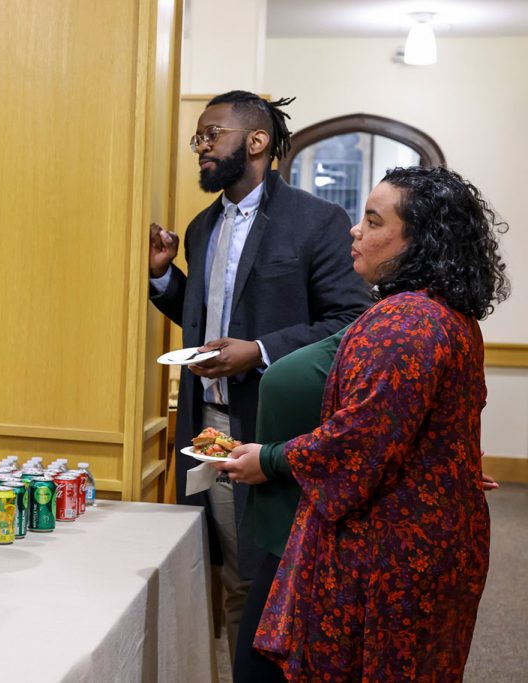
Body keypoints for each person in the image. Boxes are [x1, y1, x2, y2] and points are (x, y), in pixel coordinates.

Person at [215, 165, 508, 681]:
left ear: (419, 242)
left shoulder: (405, 323)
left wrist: (270, 458)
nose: (356, 230)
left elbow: (360, 442)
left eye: (374, 222)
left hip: (390, 551)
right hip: (430, 536)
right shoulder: (444, 313)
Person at [148, 90, 370, 657]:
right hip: (206, 428)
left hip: (274, 432)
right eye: (198, 136)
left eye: (211, 134)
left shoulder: (316, 220)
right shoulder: (201, 228)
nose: (200, 146)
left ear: (256, 141)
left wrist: (261, 350)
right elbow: (202, 320)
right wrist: (162, 278)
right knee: (223, 570)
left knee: (270, 578)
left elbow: (351, 319)